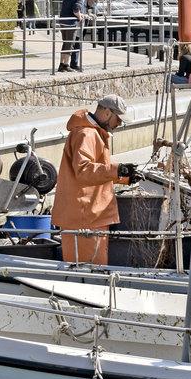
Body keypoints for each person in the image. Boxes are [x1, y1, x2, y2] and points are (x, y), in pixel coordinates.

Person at [51, 94, 141, 265]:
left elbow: (96, 172)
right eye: (118, 118)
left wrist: (124, 177)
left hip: (89, 215)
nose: (120, 123)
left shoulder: (92, 133)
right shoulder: (87, 134)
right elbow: (83, 171)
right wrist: (117, 170)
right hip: (85, 216)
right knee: (89, 271)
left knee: (91, 269)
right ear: (107, 113)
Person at [57, 0, 88, 72]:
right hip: (71, 24)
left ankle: (61, 64)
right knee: (70, 45)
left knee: (65, 44)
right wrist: (80, 17)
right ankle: (66, 65)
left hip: (62, 22)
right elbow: (75, 10)